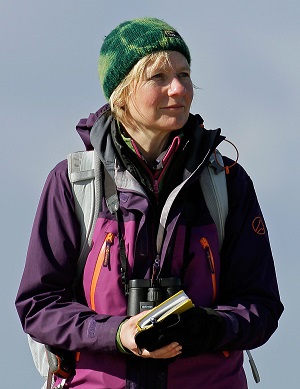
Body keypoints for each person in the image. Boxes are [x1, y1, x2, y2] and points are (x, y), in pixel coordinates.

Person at [16, 17, 284, 389]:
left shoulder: (226, 182)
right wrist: (116, 334)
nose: (179, 89)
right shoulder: (74, 182)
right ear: (122, 92)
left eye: (185, 74)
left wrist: (209, 327)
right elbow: (38, 305)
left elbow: (262, 306)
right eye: (158, 77)